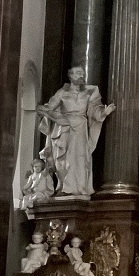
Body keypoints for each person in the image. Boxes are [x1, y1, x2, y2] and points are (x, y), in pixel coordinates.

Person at [38, 66, 115, 197]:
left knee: (81, 157)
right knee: (63, 159)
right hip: (64, 128)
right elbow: (48, 108)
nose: (81, 76)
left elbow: (94, 110)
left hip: (80, 128)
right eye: (78, 73)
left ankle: (80, 187)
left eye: (82, 73)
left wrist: (104, 112)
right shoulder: (62, 93)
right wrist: (51, 114)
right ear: (70, 76)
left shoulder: (89, 93)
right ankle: (64, 187)